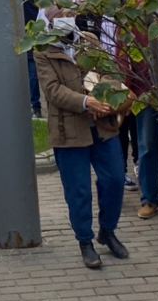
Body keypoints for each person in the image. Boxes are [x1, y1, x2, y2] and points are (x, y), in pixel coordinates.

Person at [35, 16, 130, 269]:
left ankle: (107, 231)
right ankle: (85, 241)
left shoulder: (90, 41)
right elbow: (53, 90)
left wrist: (102, 96)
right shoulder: (43, 50)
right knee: (79, 191)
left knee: (114, 180)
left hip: (102, 127)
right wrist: (86, 102)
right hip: (69, 131)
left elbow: (111, 73)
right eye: (57, 17)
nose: (64, 20)